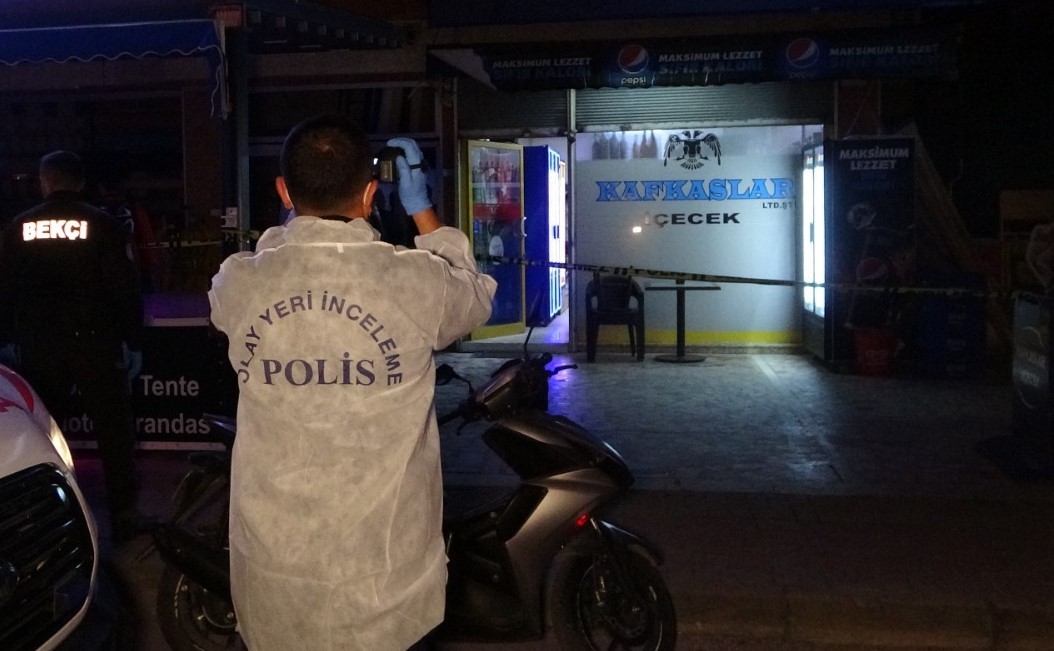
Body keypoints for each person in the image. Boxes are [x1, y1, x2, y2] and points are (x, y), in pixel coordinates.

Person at [208, 115, 496, 651]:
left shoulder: (238, 282)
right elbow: (474, 297)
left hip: (276, 586)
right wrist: (422, 212)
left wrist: (298, 219)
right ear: (369, 194)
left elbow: (270, 255)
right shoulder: (415, 279)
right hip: (386, 591)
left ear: (282, 191)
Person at [0, 150, 144, 543]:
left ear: (45, 181)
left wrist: (8, 339)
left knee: (45, 432)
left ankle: (45, 519)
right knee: (114, 432)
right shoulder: (102, 224)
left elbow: (5, 289)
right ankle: (124, 517)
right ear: (80, 182)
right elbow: (125, 287)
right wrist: (133, 341)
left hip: (39, 345)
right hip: (96, 342)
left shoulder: (19, 227)